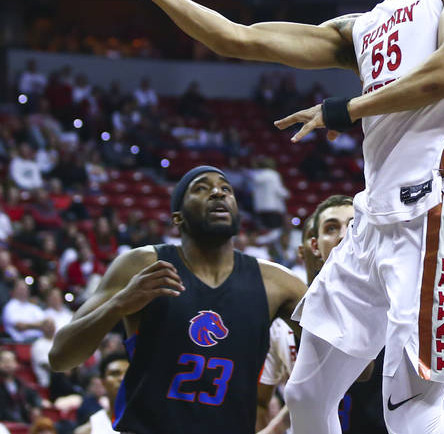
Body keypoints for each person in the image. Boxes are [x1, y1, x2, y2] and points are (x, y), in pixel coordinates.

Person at [105, 0, 444, 434]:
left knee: (415, 417)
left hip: (437, 209)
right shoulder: (366, 27)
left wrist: (345, 109)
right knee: (306, 394)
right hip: (374, 219)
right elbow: (237, 37)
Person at [49, 166, 307, 434]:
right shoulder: (141, 265)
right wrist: (119, 304)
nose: (218, 192)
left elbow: (342, 354)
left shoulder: (277, 282)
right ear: (177, 218)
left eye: (226, 189)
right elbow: (60, 357)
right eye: (201, 188)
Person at [259, 194, 444, 434]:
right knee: (304, 396)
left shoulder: (399, 299)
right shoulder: (289, 323)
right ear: (313, 246)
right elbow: (296, 400)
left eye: (353, 225)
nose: (343, 235)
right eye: (331, 228)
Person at [72, 351, 130, 434]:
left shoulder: (150, 422)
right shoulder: (89, 429)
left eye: (128, 373)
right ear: (103, 382)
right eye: (115, 374)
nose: (122, 378)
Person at [0, 348, 43, 423]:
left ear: (16, 364)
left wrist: (36, 407)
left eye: (10, 361)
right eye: (4, 361)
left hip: (24, 422)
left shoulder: (21, 384)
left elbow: (35, 396)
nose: (7, 364)